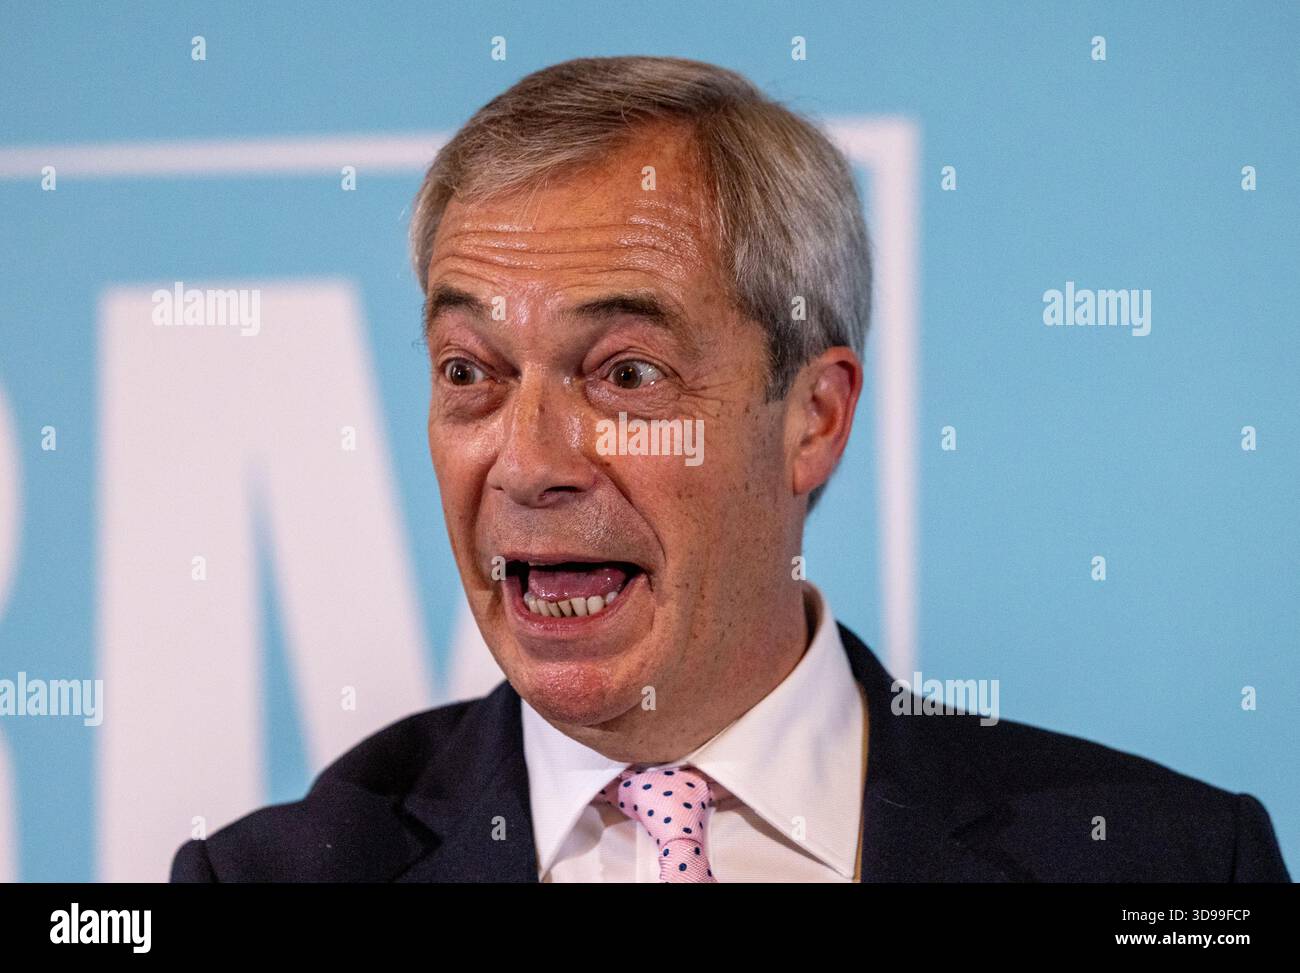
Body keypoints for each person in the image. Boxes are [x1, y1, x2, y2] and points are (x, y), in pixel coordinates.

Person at [171, 55, 1290, 883]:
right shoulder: (283, 876)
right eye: (470, 369)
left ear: (812, 416)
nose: (529, 461)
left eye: (626, 376)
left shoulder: (1169, 869)